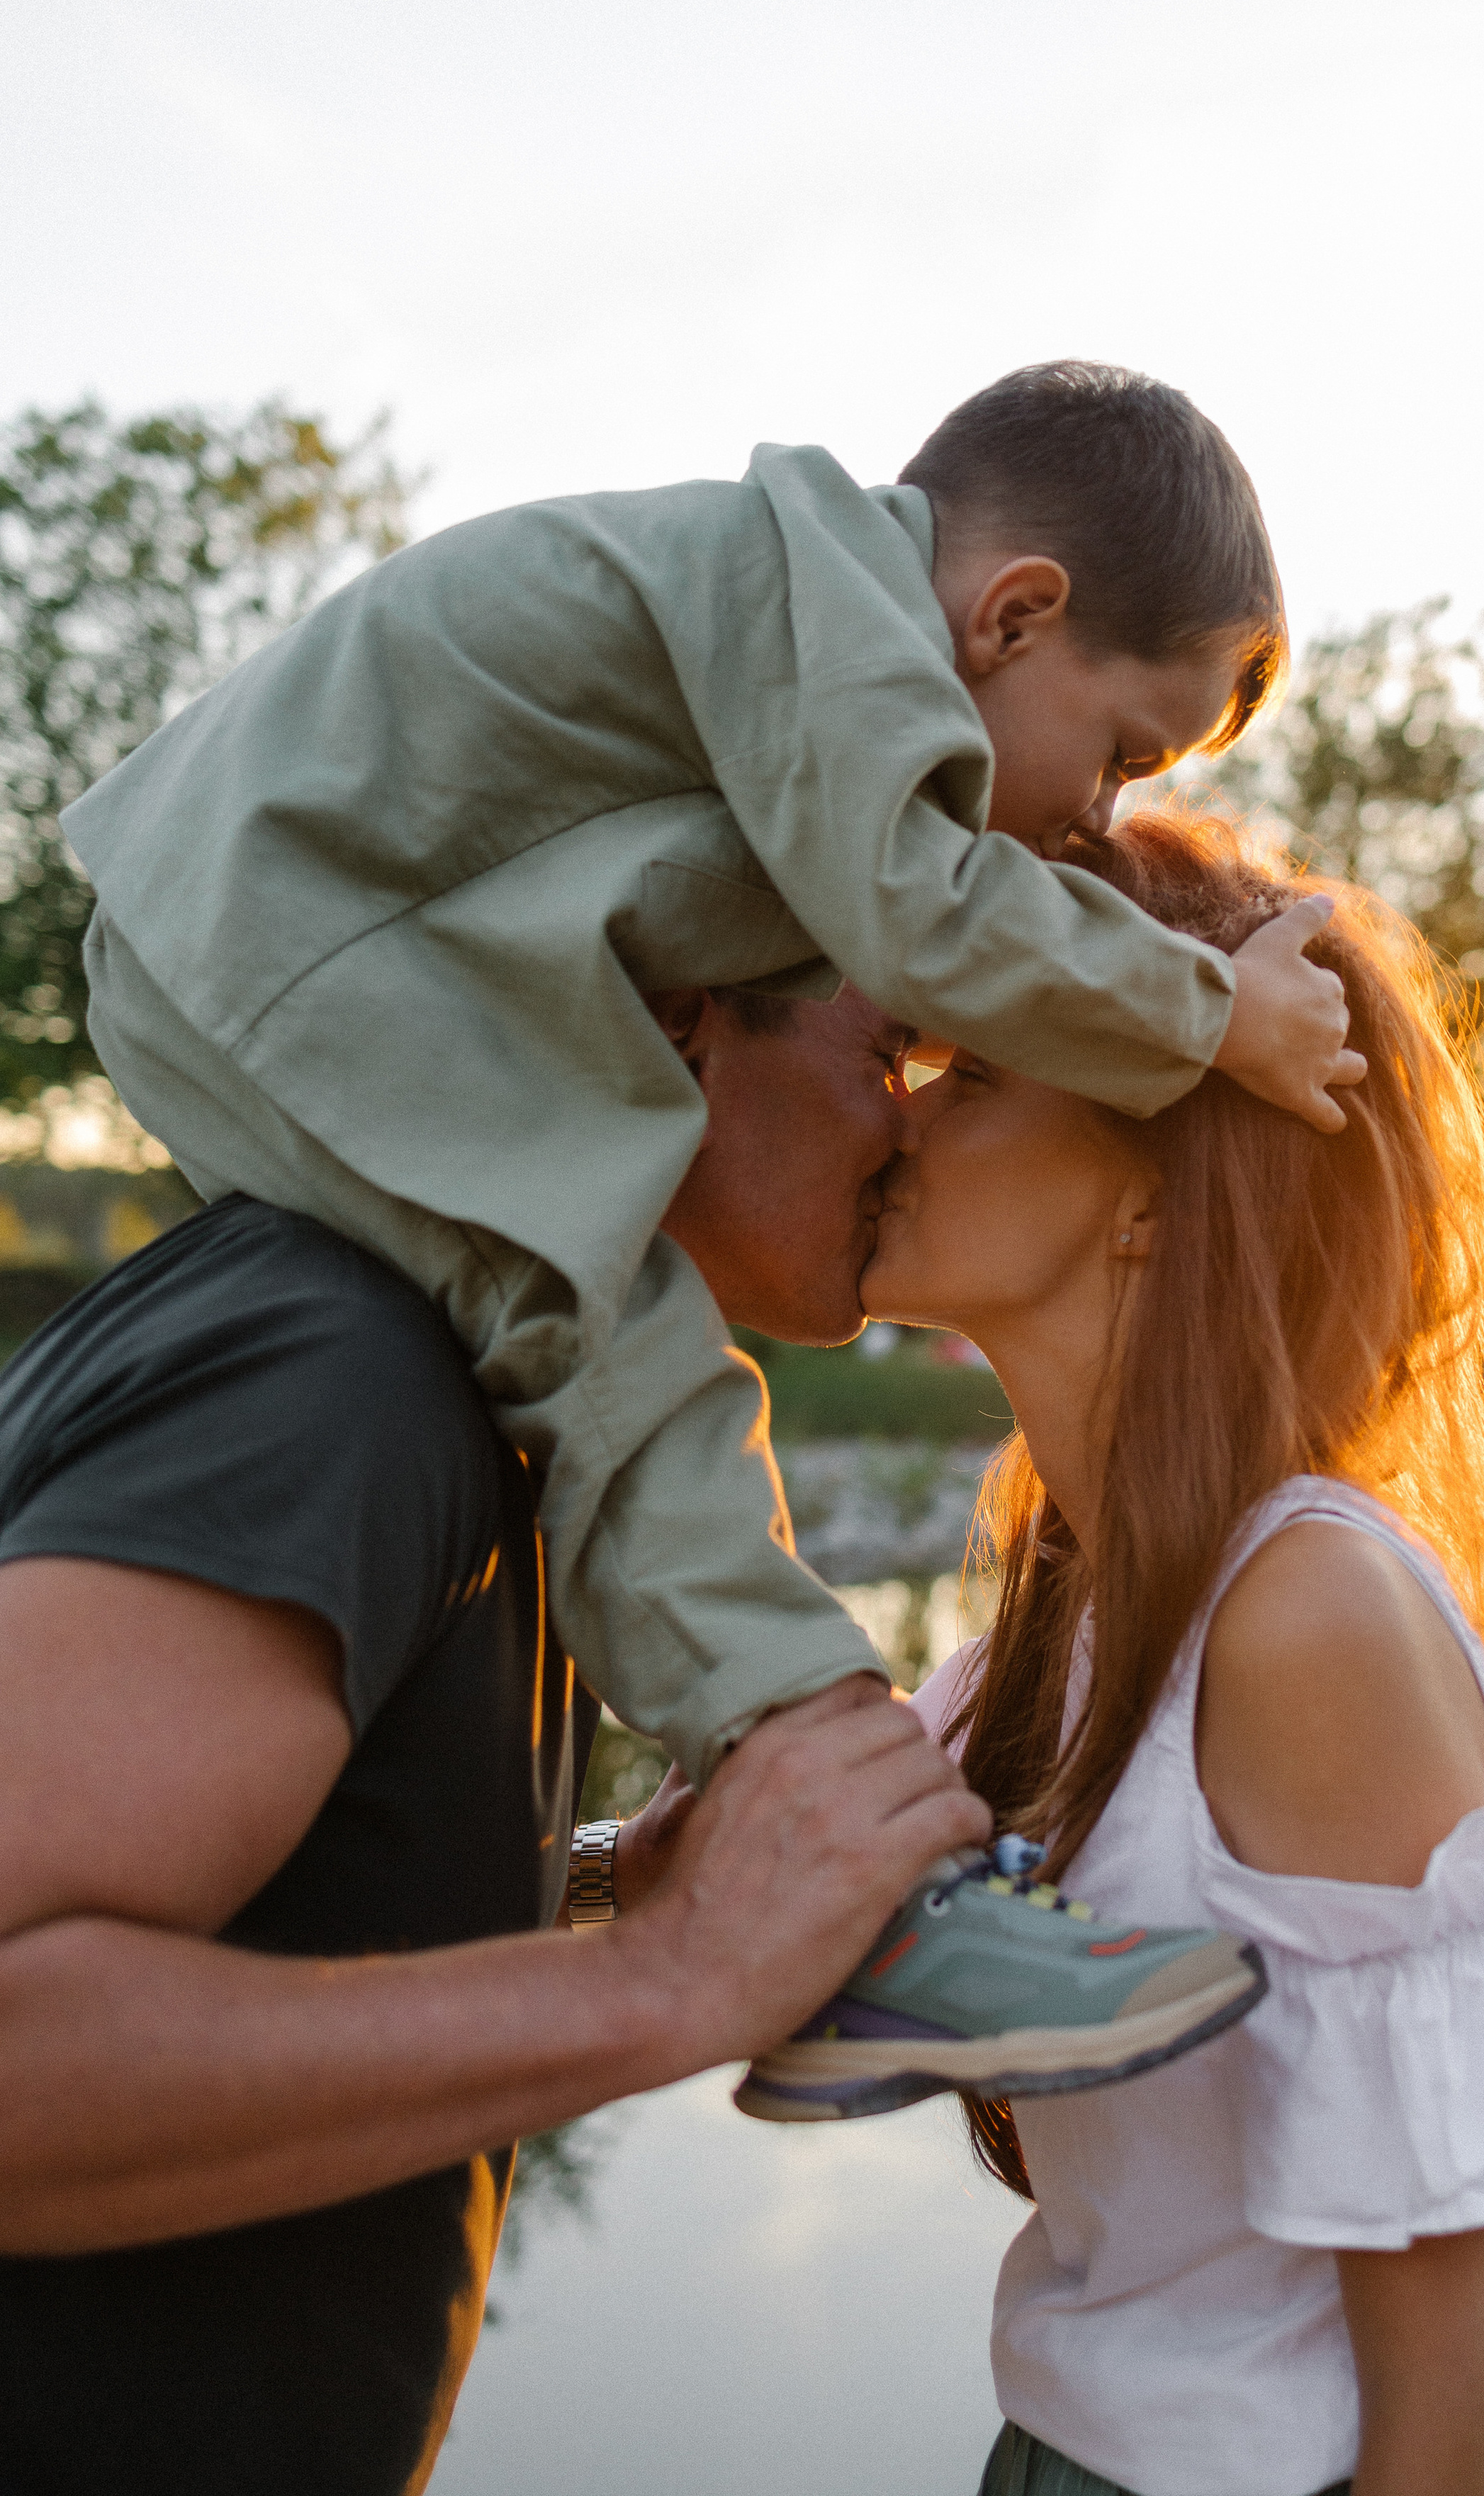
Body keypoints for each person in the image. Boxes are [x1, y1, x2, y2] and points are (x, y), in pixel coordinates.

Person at [61, 361, 1363, 1853]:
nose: (1097, 818)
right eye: (1125, 754)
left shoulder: (776, 643)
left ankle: (776, 1813)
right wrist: (1211, 1016)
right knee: (613, 1337)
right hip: (294, 948)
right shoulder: (821, 624)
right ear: (1011, 614)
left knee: (593, 1347)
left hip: (282, 932)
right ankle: (825, 1805)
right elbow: (919, 918)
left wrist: (603, 1898)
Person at [0, 977, 996, 2495]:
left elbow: (315, 1887)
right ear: (676, 1020)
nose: (912, 1124)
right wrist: (665, 1981)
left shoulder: (472, 1374)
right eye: (888, 1056)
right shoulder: (336, 1367)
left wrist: (609, 1882)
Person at [761, 808, 1484, 2496]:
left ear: (1153, 1195)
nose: (899, 1111)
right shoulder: (1070, 1601)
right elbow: (774, 1888)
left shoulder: (1304, 1618)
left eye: (977, 1078)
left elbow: (1447, 2398)